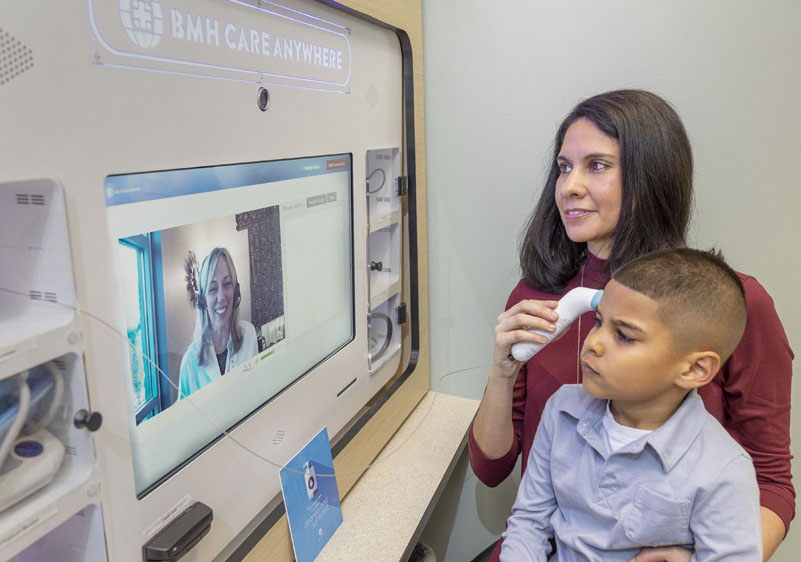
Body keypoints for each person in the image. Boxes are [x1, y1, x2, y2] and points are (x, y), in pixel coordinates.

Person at [469, 90, 794, 561]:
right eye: (563, 167)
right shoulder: (537, 298)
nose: (569, 187)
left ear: (648, 179)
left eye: (596, 166)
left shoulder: (732, 305)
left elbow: (771, 483)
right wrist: (502, 373)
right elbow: (492, 470)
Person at [500, 248, 761, 561]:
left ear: (694, 369)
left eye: (623, 335)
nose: (593, 343)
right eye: (598, 322)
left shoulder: (722, 471)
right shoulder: (563, 410)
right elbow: (529, 522)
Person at [179, 247, 258, 396]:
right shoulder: (189, 364)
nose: (221, 297)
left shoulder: (249, 334)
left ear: (236, 291)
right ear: (203, 301)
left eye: (227, 284)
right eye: (213, 289)